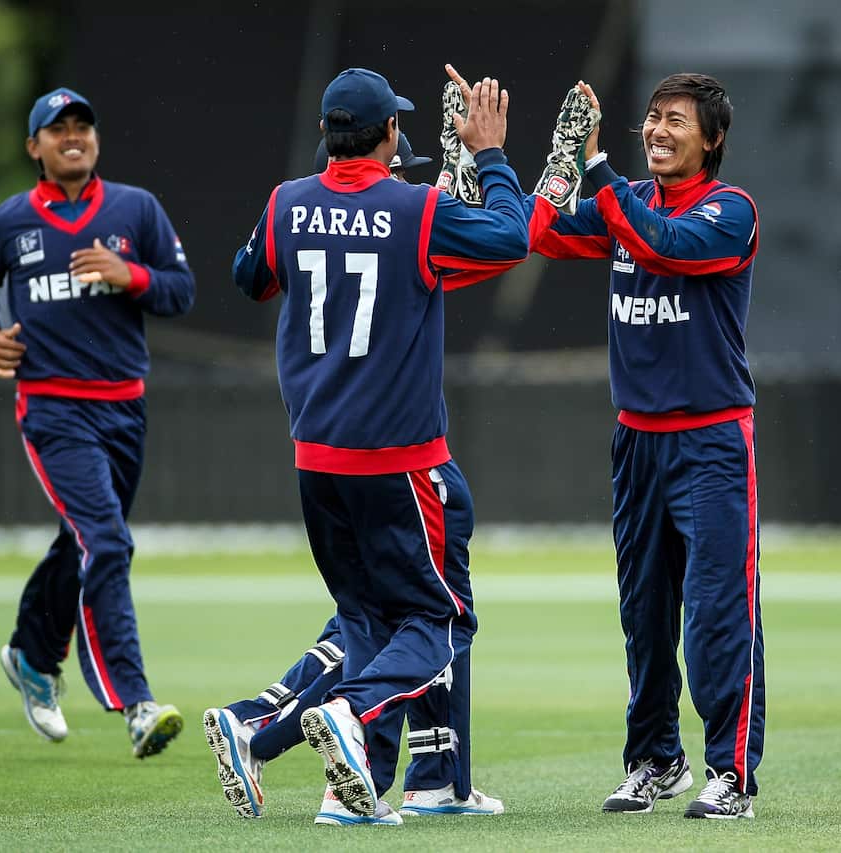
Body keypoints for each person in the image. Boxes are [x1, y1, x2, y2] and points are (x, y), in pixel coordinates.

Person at [447, 68, 763, 819]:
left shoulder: (730, 210)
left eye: (676, 120)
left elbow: (663, 246)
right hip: (638, 444)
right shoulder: (630, 204)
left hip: (712, 441)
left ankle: (732, 775)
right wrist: (487, 159)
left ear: (712, 139)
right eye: (652, 117)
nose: (656, 129)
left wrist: (593, 166)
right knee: (644, 613)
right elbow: (543, 231)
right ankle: (656, 759)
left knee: (718, 612)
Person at [231, 66, 528, 826]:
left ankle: (336, 788)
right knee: (440, 621)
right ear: (391, 135)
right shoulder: (415, 207)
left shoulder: (286, 202)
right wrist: (489, 153)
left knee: (363, 618)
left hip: (316, 460)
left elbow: (249, 278)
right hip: (399, 461)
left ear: (329, 133)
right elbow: (511, 236)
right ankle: (353, 718)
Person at [0, 87, 194, 757]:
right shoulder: (6, 223)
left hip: (124, 406)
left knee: (88, 540)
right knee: (110, 545)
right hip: (53, 408)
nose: (72, 135)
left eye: (82, 125)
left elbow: (181, 289)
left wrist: (131, 274)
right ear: (34, 147)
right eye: (56, 128)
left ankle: (32, 653)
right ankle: (136, 702)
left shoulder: (134, 210)